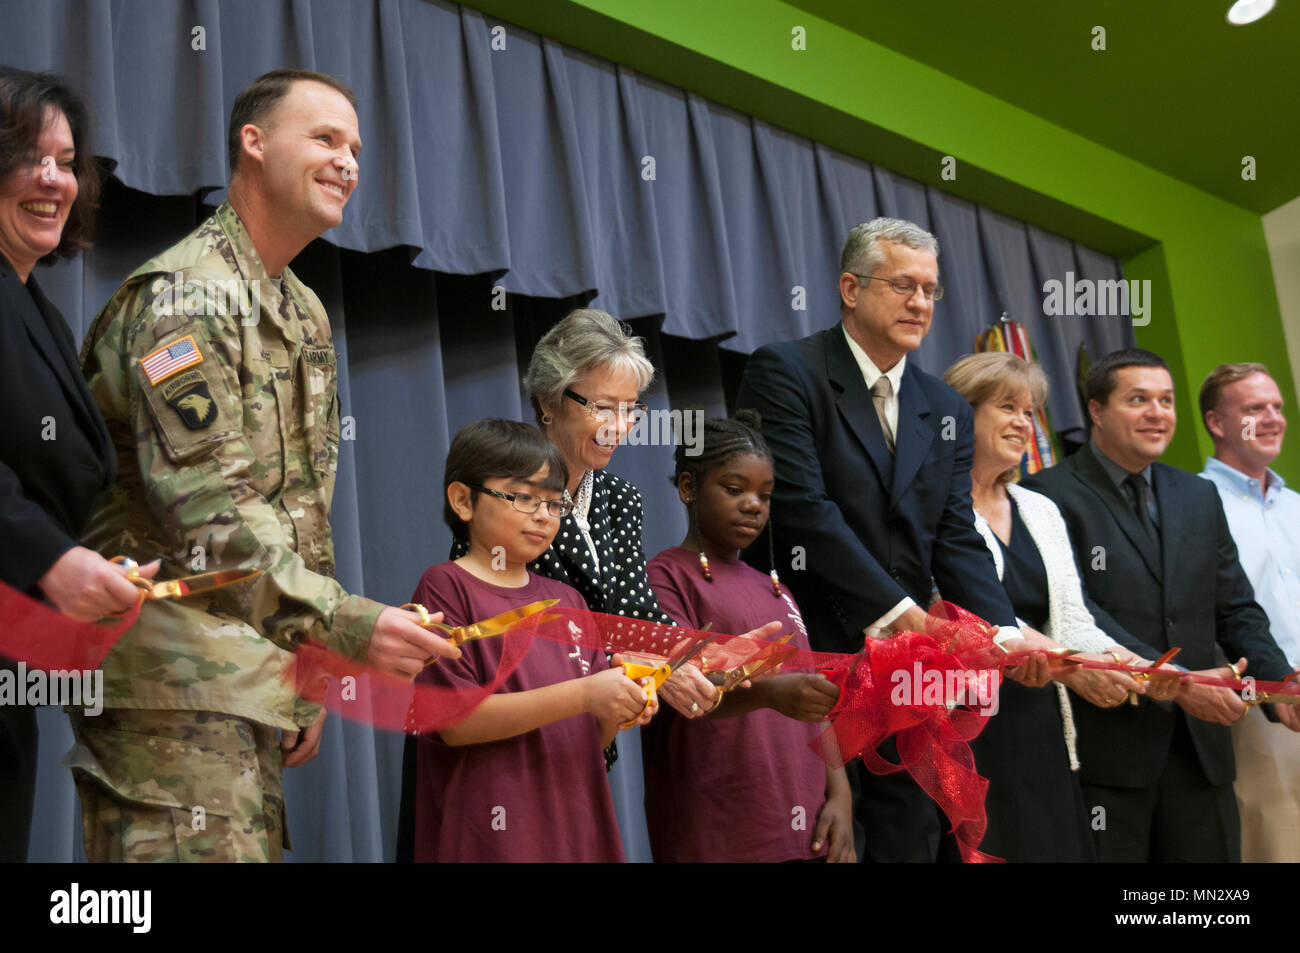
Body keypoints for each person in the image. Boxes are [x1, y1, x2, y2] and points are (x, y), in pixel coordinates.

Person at [70, 69, 458, 862]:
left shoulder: (301, 308)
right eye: (324, 138)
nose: (349, 161)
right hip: (167, 683)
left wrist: (307, 661)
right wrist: (343, 627)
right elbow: (212, 512)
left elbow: (301, 503)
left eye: (355, 147)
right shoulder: (185, 296)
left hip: (252, 677)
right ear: (253, 142)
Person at [736, 218, 1030, 862]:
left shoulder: (945, 407)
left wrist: (1000, 634)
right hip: (808, 652)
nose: (921, 303)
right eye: (903, 285)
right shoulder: (785, 371)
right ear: (850, 287)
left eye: (931, 290)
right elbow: (802, 510)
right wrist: (903, 614)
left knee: (910, 835)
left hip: (910, 676)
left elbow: (954, 533)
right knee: (817, 837)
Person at [1021, 348, 1300, 862]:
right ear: (1097, 410)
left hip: (1202, 754)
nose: (1157, 412)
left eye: (1166, 400)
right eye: (1138, 399)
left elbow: (1235, 606)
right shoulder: (1045, 495)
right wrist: (1179, 682)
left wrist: (1280, 683)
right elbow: (1074, 612)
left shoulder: (1196, 495)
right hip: (1108, 755)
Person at [0, 67, 159, 862]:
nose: (52, 178)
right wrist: (53, 559)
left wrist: (98, 568)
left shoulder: (44, 317)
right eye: (27, 155)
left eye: (66, 161)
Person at [409, 419, 656, 861]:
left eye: (554, 503)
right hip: (495, 838)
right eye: (524, 497)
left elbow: (590, 736)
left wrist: (621, 702)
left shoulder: (571, 600)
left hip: (575, 829)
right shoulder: (445, 588)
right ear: (464, 500)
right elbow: (456, 724)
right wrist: (585, 693)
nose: (544, 515)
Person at [943, 352, 1146, 862]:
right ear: (961, 414)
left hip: (1041, 723)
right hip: (964, 729)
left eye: (1030, 412)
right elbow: (952, 618)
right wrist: (1075, 669)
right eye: (1007, 407)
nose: (1022, 423)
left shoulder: (1040, 509)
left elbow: (1073, 621)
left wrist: (1143, 668)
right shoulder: (930, 506)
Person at [642, 411, 855, 862]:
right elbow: (686, 691)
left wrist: (840, 795)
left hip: (806, 822)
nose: (753, 504)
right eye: (735, 489)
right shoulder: (664, 578)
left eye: (765, 495)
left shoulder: (778, 589)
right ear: (687, 488)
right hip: (720, 823)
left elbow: (816, 703)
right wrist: (770, 693)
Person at [1198, 362, 1300, 861]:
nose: (1273, 417)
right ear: (1217, 423)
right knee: (1276, 843)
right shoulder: (1192, 504)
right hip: (1258, 708)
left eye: (1277, 407)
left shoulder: (1297, 507)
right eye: (1255, 408)